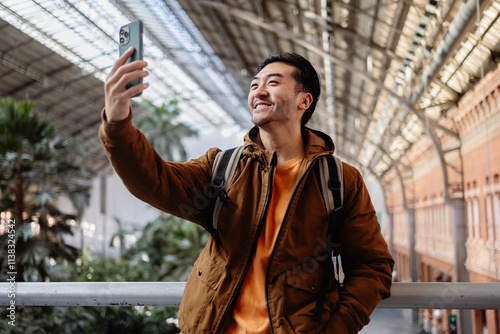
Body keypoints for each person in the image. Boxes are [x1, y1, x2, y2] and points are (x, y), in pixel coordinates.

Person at [100, 48, 394, 334]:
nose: (259, 91)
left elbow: (372, 265)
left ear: (304, 100)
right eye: (255, 85)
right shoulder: (223, 167)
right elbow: (154, 181)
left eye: (273, 82)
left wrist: (338, 327)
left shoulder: (339, 180)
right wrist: (117, 123)